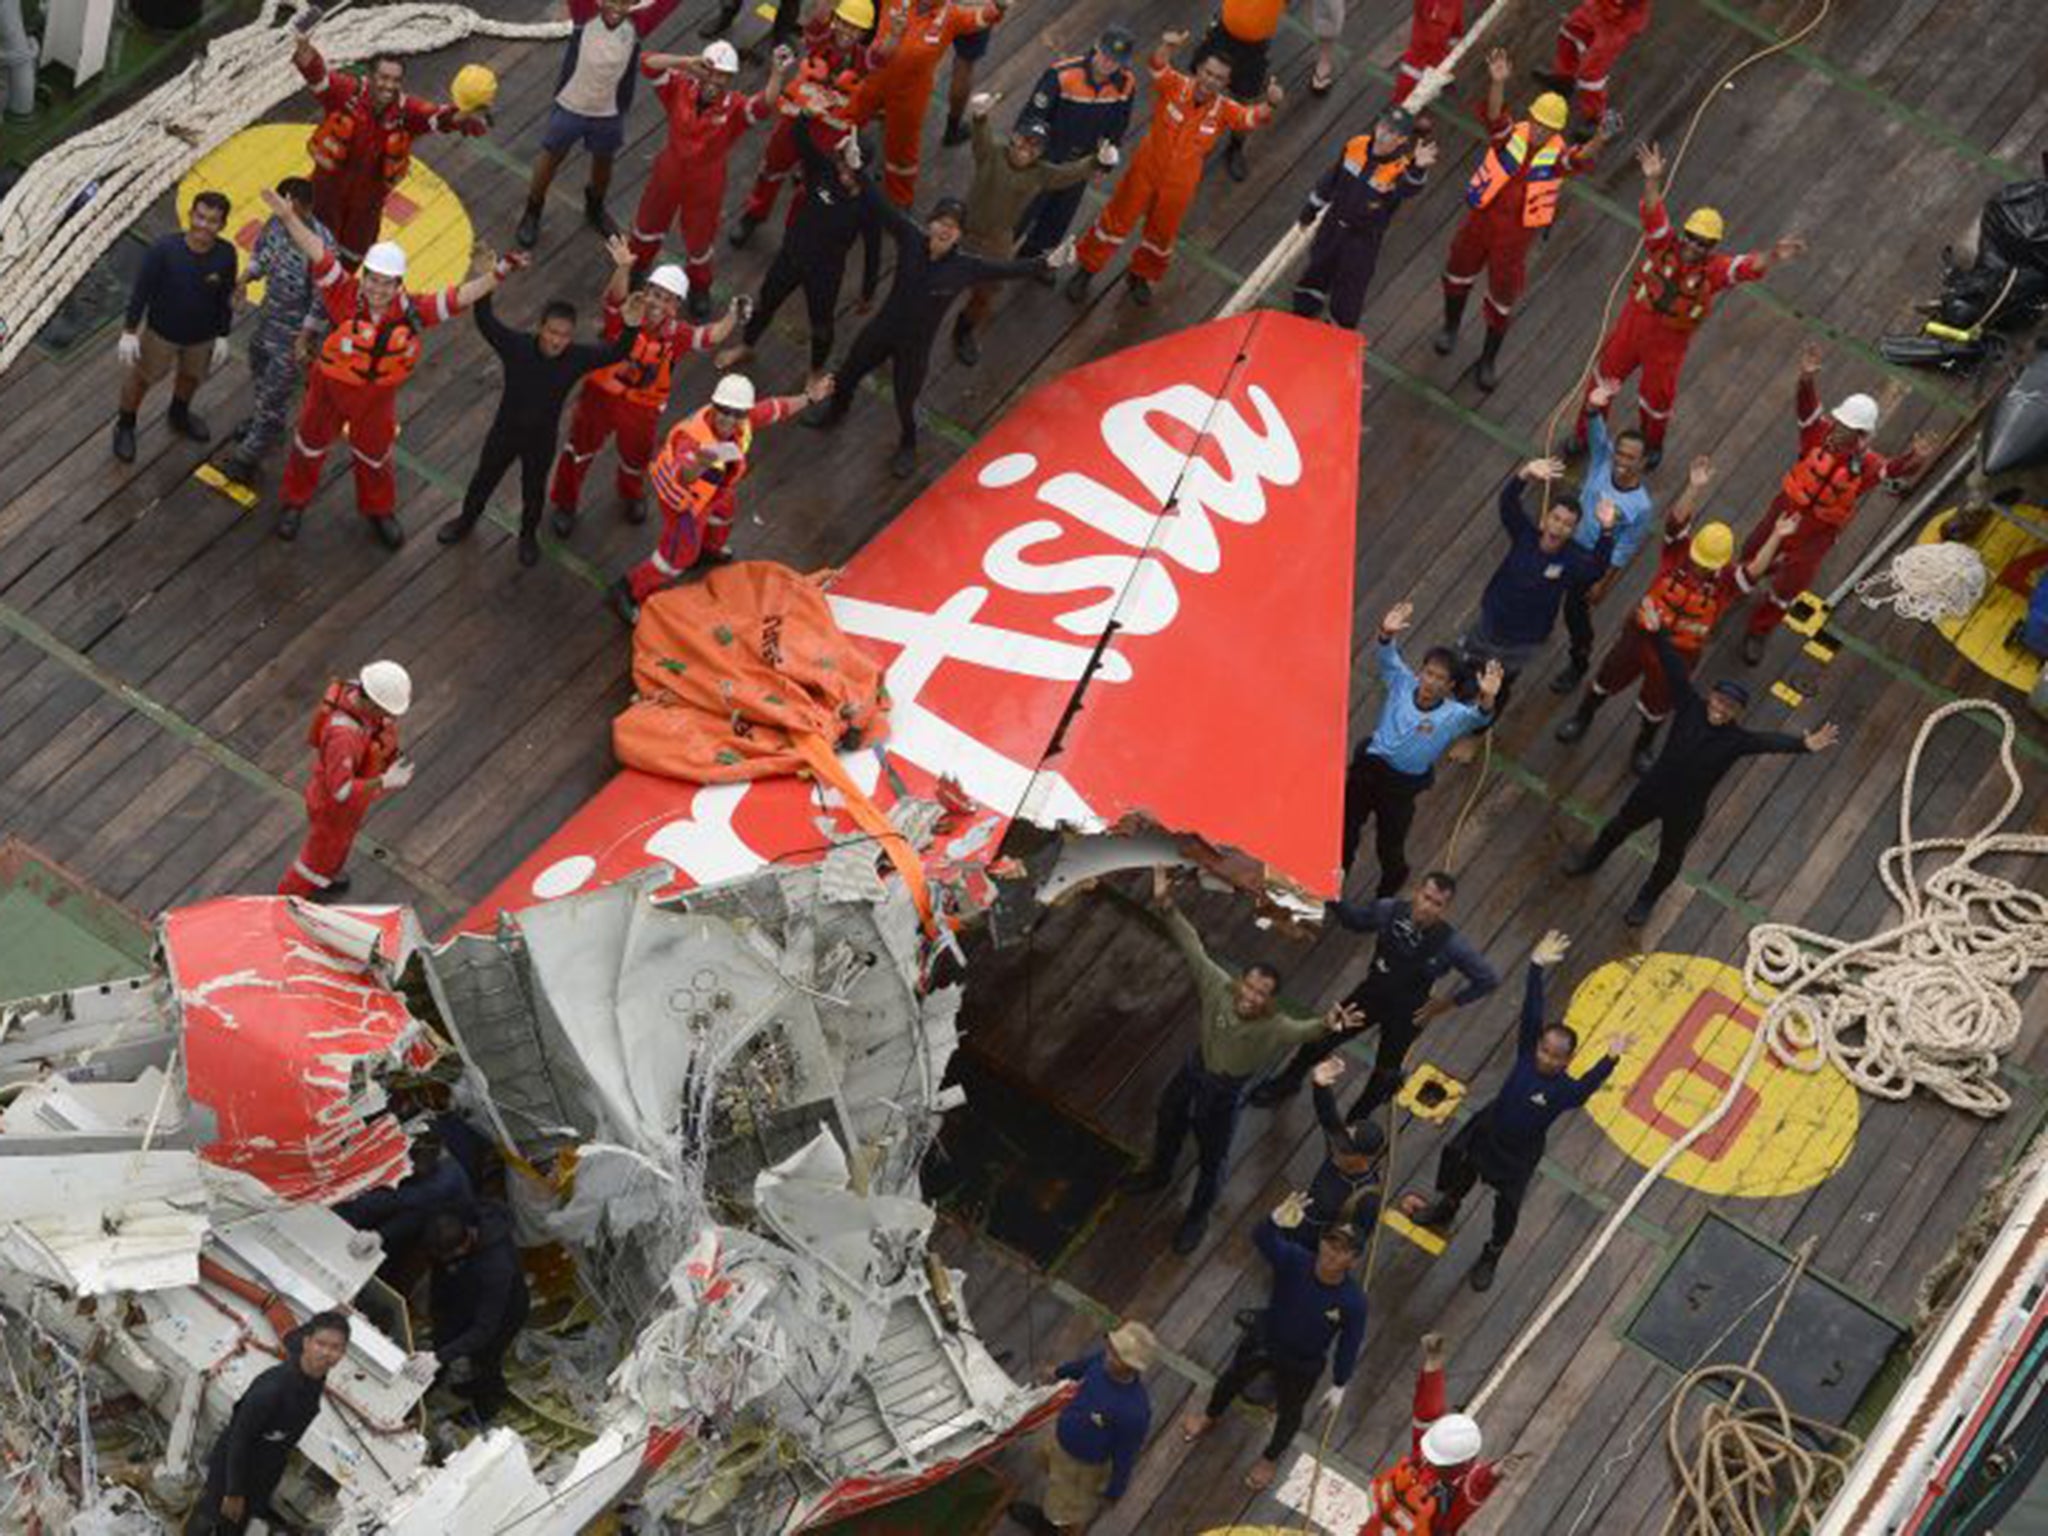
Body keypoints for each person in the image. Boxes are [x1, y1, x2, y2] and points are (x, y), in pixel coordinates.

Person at [1121, 869, 1365, 1255]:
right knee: (1167, 1119)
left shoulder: (1276, 1026)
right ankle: (1158, 1173)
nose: (1251, 997)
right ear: (1241, 982)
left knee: (1213, 1160)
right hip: (1193, 1071)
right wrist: (1167, 905)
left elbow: (1308, 1031)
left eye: (1260, 993)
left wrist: (1329, 1024)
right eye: (1249, 986)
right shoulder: (1217, 986)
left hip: (1225, 1095)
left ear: (1270, 1000)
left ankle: (1197, 1215)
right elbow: (1192, 946)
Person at [260, 188, 521, 546]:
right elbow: (317, 252)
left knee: (375, 456)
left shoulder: (413, 311)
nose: (377, 289)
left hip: (375, 400)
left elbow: (458, 298)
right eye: (373, 280)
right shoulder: (344, 294)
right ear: (364, 277)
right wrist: (289, 218)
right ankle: (294, 503)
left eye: (386, 283)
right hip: (328, 390)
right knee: (309, 445)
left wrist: (499, 274)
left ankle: (378, 510)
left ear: (399, 284)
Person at [1564, 607, 1839, 924]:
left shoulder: (1738, 741)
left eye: (1730, 708)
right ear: (1711, 697)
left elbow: (1769, 742)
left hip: (1686, 810)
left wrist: (1803, 745)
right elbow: (1673, 667)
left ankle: (1646, 899)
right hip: (1652, 790)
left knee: (1668, 861)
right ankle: (1590, 861)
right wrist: (1656, 633)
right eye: (1720, 701)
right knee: (1616, 828)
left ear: (1737, 714)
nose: (1722, 710)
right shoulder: (1689, 705)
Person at [1401, 932, 1629, 1291]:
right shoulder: (1525, 1053)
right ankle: (1447, 1207)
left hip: (1518, 1157)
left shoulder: (1565, 1091)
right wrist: (1535, 969)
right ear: (1536, 1045)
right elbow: (1532, 1010)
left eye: (1557, 1055)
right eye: (1545, 1049)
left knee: (1506, 1209)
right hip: (1488, 1132)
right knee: (1461, 1169)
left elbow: (1587, 1085)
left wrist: (1611, 1058)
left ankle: (1492, 1252)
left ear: (1568, 1059)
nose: (1548, 1057)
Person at [1554, 460, 1797, 772]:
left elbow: (1754, 571)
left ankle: (1643, 745)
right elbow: (1677, 520)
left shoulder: (1725, 583)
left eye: (1708, 564)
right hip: (1637, 637)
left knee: (1659, 704)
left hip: (1678, 655)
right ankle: (1582, 717)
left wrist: (1776, 536)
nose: (1702, 567)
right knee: (1606, 678)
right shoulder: (1677, 553)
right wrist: (1694, 487)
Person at [1569, 142, 1802, 466]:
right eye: (1691, 237)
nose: (1694, 245)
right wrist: (1652, 180)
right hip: (1631, 329)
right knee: (1601, 383)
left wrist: (1774, 255)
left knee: (1657, 399)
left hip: (1668, 345)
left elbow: (1747, 266)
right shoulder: (1661, 245)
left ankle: (1652, 444)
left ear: (1713, 246)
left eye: (1703, 242)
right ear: (1684, 233)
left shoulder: (1714, 271)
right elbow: (1654, 212)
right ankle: (1585, 435)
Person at [805, 185, 1056, 477]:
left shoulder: (967, 266)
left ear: (960, 235)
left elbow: (1007, 269)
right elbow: (880, 203)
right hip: (882, 330)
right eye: (942, 222)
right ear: (930, 223)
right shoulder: (910, 238)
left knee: (906, 400)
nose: (947, 229)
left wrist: (1046, 263)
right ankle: (837, 410)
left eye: (954, 226)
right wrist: (858, 168)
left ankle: (908, 444)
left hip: (915, 346)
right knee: (848, 373)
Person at [438, 240, 645, 566]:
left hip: (541, 440)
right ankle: (465, 522)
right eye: (552, 332)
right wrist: (485, 279)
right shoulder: (517, 347)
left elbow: (617, 352)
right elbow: (486, 321)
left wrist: (632, 327)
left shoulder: (577, 358)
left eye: (564, 335)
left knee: (533, 493)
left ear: (571, 335)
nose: (557, 340)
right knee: (483, 479)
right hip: (504, 432)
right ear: (540, 328)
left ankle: (527, 537)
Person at [1731, 344, 1937, 663]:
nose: (1840, 430)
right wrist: (1806, 379)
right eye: (1840, 422)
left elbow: (1893, 470)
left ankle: (1759, 629)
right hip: (1786, 510)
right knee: (1753, 548)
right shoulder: (1816, 433)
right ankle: (1735, 586)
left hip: (1819, 533)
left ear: (1862, 435)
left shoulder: (1866, 465)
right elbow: (1805, 407)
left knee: (1792, 583)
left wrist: (1915, 457)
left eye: (1850, 428)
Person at [1251, 871, 1498, 1119]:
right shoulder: (1388, 910)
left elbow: (1487, 979)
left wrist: (1445, 1004)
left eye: (1437, 904)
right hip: (1372, 994)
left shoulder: (1452, 944)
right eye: (1426, 897)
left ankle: (1355, 1123)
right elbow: (1356, 922)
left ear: (1446, 909)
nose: (1428, 907)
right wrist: (1331, 894)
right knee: (1323, 1037)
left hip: (1407, 1013)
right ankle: (1288, 1081)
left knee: (1384, 1075)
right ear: (1416, 892)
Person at [1067, 31, 1280, 307]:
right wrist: (1166, 46)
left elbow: (1250, 118)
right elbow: (1156, 66)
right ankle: (1086, 270)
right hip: (1145, 168)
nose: (1210, 81)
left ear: (1226, 82)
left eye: (1218, 78)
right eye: (1208, 72)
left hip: (1181, 183)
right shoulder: (1174, 85)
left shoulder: (1226, 109)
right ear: (1198, 69)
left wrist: (1271, 103)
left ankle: (1141, 276)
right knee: (1116, 220)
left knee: (1162, 233)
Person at [1436, 49, 1608, 391]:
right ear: (1531, 117)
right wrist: (1497, 82)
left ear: (1558, 130)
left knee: (1503, 298)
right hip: (1481, 221)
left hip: (1515, 238)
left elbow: (1579, 160)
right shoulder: (1512, 133)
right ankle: (1450, 327)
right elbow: (1493, 114)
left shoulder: (1557, 154)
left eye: (1550, 128)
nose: (1542, 132)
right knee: (1457, 271)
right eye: (1539, 123)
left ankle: (1487, 360)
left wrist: (1601, 136)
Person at [610, 371, 831, 622]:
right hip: (685, 505)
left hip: (715, 491)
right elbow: (683, 477)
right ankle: (628, 590)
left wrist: (809, 398)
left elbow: (774, 409)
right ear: (714, 406)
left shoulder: (744, 421)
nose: (729, 418)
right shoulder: (691, 439)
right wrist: (700, 463)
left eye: (737, 413)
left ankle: (709, 549)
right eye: (724, 410)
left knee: (724, 514)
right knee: (676, 558)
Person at [1179, 1213, 1367, 1492]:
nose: (1331, 1253)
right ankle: (1210, 1415)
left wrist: (1340, 1382)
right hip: (1265, 1340)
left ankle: (1270, 1458)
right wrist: (1273, 1221)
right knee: (1231, 1379)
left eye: (1343, 1250)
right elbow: (1262, 1237)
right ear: (1320, 1242)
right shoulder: (1294, 1259)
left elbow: (1350, 1342)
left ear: (1353, 1260)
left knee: (1290, 1412)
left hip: (1303, 1363)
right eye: (1330, 1242)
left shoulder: (1354, 1302)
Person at [549, 263, 739, 537]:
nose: (657, 302)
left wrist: (733, 314)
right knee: (578, 449)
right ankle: (565, 503)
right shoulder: (626, 313)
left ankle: (631, 493)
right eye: (655, 293)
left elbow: (712, 336)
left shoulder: (678, 334)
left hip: (643, 407)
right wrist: (624, 267)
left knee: (636, 457)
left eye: (666, 298)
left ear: (676, 306)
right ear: (645, 290)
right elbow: (614, 298)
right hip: (600, 397)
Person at [1341, 602, 1500, 900]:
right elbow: (1387, 656)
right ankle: (1335, 877)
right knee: (1345, 830)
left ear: (1450, 686)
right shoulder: (1402, 683)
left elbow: (1480, 716)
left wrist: (1488, 697)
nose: (1431, 682)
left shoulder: (1453, 716)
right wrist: (1386, 633)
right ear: (1420, 673)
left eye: (1440, 679)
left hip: (1401, 788)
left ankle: (1390, 885)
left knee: (1389, 845)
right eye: (1428, 673)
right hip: (1369, 771)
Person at [292, 34, 485, 267]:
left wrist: (465, 115)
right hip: (325, 195)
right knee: (306, 255)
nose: (389, 85)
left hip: (366, 208)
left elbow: (440, 117)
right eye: (383, 78)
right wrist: (303, 43)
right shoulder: (346, 93)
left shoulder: (407, 112)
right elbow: (316, 73)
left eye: (395, 80)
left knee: (350, 260)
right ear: (370, 76)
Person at [629, 42, 790, 318]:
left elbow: (765, 104)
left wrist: (777, 73)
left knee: (700, 241)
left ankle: (700, 287)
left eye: (723, 76)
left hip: (706, 183)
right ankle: (637, 266)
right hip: (668, 172)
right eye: (710, 71)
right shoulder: (679, 87)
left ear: (731, 79)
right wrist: (683, 61)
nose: (715, 80)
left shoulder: (735, 106)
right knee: (648, 224)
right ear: (700, 68)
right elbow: (647, 62)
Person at [720, 119, 882, 379]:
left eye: (848, 164)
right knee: (765, 303)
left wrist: (868, 292)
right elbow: (799, 136)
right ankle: (746, 345)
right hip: (791, 256)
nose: (842, 168)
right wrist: (807, 113)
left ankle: (816, 370)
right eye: (840, 160)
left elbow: (874, 251)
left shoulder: (869, 204)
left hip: (825, 273)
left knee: (822, 327)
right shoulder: (823, 169)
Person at [951, 95, 1107, 364]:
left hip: (996, 244)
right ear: (1013, 137)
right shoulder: (991, 152)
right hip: (960, 232)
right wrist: (979, 116)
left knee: (984, 296)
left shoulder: (1042, 173)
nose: (1027, 147)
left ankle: (963, 331)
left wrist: (1095, 161)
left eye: (1036, 146)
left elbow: (1068, 173)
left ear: (1042, 153)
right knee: (935, 283)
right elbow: (981, 134)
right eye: (1024, 139)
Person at [517, 0, 683, 248]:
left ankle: (595, 207)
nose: (617, 7)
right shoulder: (584, 9)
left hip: (609, 111)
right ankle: (532, 209)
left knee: (604, 162)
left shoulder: (642, 22)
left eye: (626, 2)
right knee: (551, 155)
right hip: (571, 104)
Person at [1456, 458, 1614, 713]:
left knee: (1500, 688)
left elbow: (1596, 569)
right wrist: (1525, 473)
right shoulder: (1524, 535)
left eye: (1567, 524)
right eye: (1556, 518)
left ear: (1573, 531)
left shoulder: (1572, 559)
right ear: (1545, 519)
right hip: (1488, 623)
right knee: (1464, 668)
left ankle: (1477, 734)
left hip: (1523, 641)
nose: (1559, 526)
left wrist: (1607, 530)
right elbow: (1507, 504)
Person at [186, 1313, 351, 1535]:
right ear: (307, 1343)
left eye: (335, 1347)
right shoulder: (272, 1389)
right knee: (210, 1522)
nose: (326, 1353)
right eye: (321, 1344)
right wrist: (233, 1493)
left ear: (342, 1353)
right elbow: (239, 1438)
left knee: (235, 1529)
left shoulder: (313, 1380)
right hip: (233, 1471)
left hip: (264, 1473)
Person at [732, 0, 875, 241]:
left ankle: (794, 232)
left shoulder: (865, 60)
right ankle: (753, 215)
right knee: (771, 169)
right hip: (794, 120)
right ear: (835, 20)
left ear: (864, 33)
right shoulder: (820, 38)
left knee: (811, 187)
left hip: (829, 133)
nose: (847, 31)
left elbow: (884, 55)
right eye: (843, 23)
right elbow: (819, 18)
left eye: (855, 28)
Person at [113, 191, 238, 463]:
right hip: (161, 333)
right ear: (191, 215)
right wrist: (129, 331)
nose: (204, 225)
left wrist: (223, 334)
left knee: (191, 377)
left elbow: (224, 297)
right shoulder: (163, 250)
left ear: (223, 225)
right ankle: (125, 425)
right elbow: (141, 292)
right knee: (141, 379)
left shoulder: (227, 255)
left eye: (213, 221)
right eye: (200, 217)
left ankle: (179, 414)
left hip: (202, 337)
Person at [846, 0, 1009, 208]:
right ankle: (819, 157)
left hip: (910, 94)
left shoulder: (952, 16)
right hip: (873, 78)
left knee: (902, 152)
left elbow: (982, 17)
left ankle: (899, 202)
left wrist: (1000, 7)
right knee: (845, 119)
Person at [1550, 393, 1662, 696]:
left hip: (1591, 561)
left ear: (1643, 462)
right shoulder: (1602, 461)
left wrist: (1603, 583)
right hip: (1564, 543)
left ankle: (1578, 661)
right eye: (1619, 454)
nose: (1621, 462)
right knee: (1544, 589)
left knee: (1577, 614)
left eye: (1630, 458)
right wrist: (1594, 406)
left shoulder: (1641, 506)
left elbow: (1624, 548)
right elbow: (1596, 429)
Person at [220, 178, 329, 484]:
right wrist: (245, 278)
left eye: (286, 206)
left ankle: (248, 458)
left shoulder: (319, 246)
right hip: (269, 320)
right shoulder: (276, 224)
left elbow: (322, 301)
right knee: (259, 371)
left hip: (294, 337)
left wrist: (305, 340)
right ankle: (265, 422)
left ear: (302, 206)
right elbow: (263, 255)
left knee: (275, 393)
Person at [1292, 106, 1435, 333]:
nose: (1383, 134)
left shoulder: (1401, 169)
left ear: (1401, 140)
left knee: (1351, 285)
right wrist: (1311, 209)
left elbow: (1409, 189)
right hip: (1332, 225)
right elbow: (1331, 179)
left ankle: (1339, 329)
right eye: (1383, 126)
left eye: (1392, 133)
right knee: (1319, 264)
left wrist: (1418, 168)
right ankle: (1304, 306)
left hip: (1363, 240)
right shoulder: (1355, 145)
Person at [278, 660, 413, 900]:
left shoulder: (360, 700)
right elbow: (341, 791)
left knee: (338, 847)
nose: (389, 716)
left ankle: (326, 876)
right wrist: (384, 780)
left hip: (348, 806)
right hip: (332, 809)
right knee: (316, 858)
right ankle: (288, 898)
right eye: (385, 710)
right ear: (371, 701)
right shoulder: (343, 736)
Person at [1007, 1322, 1158, 1535]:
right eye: (1110, 1348)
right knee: (1047, 1468)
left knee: (1067, 1512)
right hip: (1059, 1438)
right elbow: (1082, 1366)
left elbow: (1126, 1456)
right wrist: (1059, 1372)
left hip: (1082, 1468)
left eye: (1117, 1355)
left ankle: (1058, 1528)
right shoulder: (1102, 1361)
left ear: (1132, 1366)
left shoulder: (1134, 1412)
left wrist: (1114, 1492)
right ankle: (1053, 1517)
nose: (1108, 1355)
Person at [1013, 27, 1139, 265]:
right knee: (1022, 210)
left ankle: (1036, 261)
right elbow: (1033, 116)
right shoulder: (1061, 74)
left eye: (1116, 60)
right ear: (1096, 46)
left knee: (1059, 217)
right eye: (1105, 55)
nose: (1108, 63)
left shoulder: (1127, 83)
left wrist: (1104, 164)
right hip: (1045, 158)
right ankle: (998, 253)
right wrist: (1028, 152)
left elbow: (1119, 125)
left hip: (1082, 163)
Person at [1358, 1333, 1502, 1536]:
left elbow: (1475, 1490)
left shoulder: (1438, 1481)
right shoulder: (1430, 1466)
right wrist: (1433, 1364)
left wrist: (1494, 1472)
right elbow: (1427, 1413)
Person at [425, 1204, 531, 1424]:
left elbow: (484, 1329)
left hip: (505, 1313)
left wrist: (439, 1357)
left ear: (462, 1249)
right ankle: (464, 1382)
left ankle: (488, 1404)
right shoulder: (475, 1217)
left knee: (486, 1357)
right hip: (468, 1295)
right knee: (456, 1341)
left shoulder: (495, 1267)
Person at [1278, 1058, 1388, 1246]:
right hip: (1294, 1223)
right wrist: (1320, 1085)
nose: (1336, 1148)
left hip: (1313, 1249)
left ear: (1364, 1158)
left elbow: (1354, 1243)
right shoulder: (1340, 1151)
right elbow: (1329, 1117)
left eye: (1345, 1148)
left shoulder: (1366, 1199)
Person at [333, 1133, 478, 1272]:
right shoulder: (437, 1161)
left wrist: (342, 1203)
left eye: (412, 1168)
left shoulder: (438, 1187)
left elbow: (395, 1200)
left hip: (449, 1231)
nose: (407, 1171)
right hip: (436, 1218)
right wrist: (381, 1235)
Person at [1193, 0, 1283, 183]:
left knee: (1244, 99)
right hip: (1223, 33)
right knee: (1202, 86)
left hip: (1255, 47)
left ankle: (1235, 147)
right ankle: (1192, 138)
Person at [1531, 0, 1651, 121]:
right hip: (1600, 6)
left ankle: (1594, 117)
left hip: (1619, 20)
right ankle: (1564, 79)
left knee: (1592, 71)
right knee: (1571, 31)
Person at [1393, 0, 1463, 104]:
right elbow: (1429, 39)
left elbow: (1455, 32)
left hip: (1436, 68)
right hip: (1420, 65)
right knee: (1404, 103)